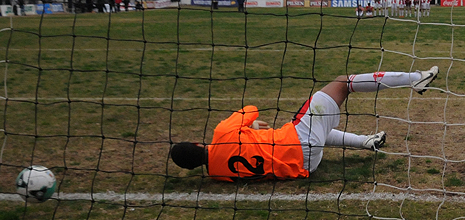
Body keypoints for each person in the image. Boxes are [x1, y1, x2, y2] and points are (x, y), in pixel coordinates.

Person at [170, 66, 440, 181]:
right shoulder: (221, 133)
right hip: (296, 141)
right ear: (196, 143)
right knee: (343, 82)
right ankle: (414, 78)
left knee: (316, 130)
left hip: (304, 167)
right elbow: (250, 110)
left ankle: (365, 142)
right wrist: (249, 127)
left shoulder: (218, 175)